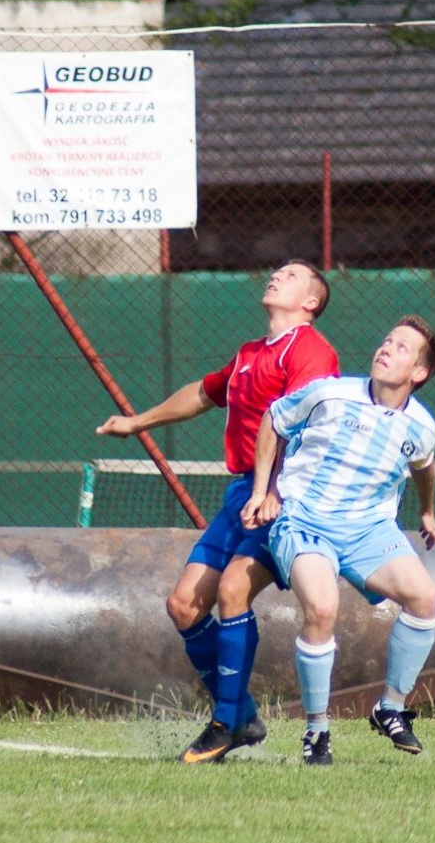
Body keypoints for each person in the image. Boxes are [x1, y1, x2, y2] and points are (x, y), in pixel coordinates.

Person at [96, 260, 339, 763]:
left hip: (287, 496)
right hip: (243, 493)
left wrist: (272, 489)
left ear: (310, 302)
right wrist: (137, 422)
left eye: (291, 275)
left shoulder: (312, 351)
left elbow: (308, 427)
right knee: (184, 605)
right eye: (277, 270)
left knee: (232, 589)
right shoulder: (250, 354)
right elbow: (205, 393)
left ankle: (225, 721)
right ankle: (243, 714)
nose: (276, 275)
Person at [241, 314, 435, 765]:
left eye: (402, 348)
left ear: (419, 372)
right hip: (305, 520)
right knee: (323, 608)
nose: (386, 348)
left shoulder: (422, 428)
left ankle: (390, 708)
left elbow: (424, 465)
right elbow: (274, 421)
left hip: (368, 529)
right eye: (386, 340)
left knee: (425, 598)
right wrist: (263, 491)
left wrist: (426, 511)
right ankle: (316, 732)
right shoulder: (329, 393)